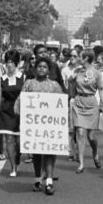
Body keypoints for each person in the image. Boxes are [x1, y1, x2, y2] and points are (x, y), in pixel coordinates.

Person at [16, 57, 66, 195]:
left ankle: (49, 180)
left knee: (50, 152)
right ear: (35, 69)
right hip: (34, 126)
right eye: (39, 66)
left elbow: (61, 105)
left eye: (45, 67)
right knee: (37, 153)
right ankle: (38, 179)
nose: (42, 69)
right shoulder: (29, 84)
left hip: (50, 126)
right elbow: (20, 102)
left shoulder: (55, 86)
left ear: (49, 70)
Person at [68, 49, 103, 173]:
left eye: (80, 57)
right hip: (79, 102)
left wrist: (102, 104)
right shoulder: (78, 70)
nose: (78, 59)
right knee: (80, 132)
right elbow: (69, 80)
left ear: (86, 58)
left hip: (91, 103)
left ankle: (95, 152)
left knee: (91, 136)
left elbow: (101, 89)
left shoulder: (97, 73)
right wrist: (74, 74)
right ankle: (81, 163)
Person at [0, 50, 25, 177]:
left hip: (20, 111)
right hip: (6, 111)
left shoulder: (23, 77)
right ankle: (13, 167)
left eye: (12, 62)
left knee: (18, 141)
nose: (9, 65)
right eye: (7, 62)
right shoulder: (1, 79)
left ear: (17, 63)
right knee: (8, 139)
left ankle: (17, 157)